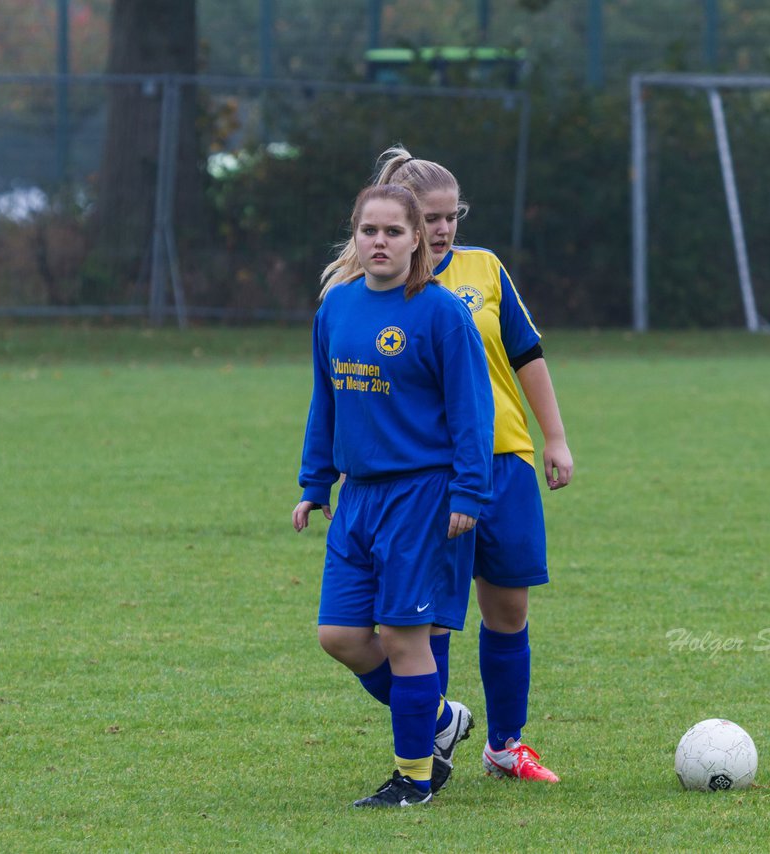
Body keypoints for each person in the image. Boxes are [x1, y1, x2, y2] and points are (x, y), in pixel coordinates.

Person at [327, 145, 574, 783]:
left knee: (509, 608)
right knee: (425, 617)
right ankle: (431, 734)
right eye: (430, 217)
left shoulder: (485, 270)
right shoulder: (381, 286)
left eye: (451, 215)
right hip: (430, 475)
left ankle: (505, 744)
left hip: (504, 461)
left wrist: (554, 437)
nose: (442, 229)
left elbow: (526, 353)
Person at [293, 183, 494, 808]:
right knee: (340, 636)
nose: (380, 242)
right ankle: (437, 717)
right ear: (355, 235)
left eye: (394, 232)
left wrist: (468, 491)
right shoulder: (337, 307)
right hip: (356, 498)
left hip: (421, 496)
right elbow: (325, 402)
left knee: (405, 638)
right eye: (369, 231)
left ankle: (413, 778)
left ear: (417, 243)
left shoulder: (440, 314)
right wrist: (314, 481)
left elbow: (472, 413)